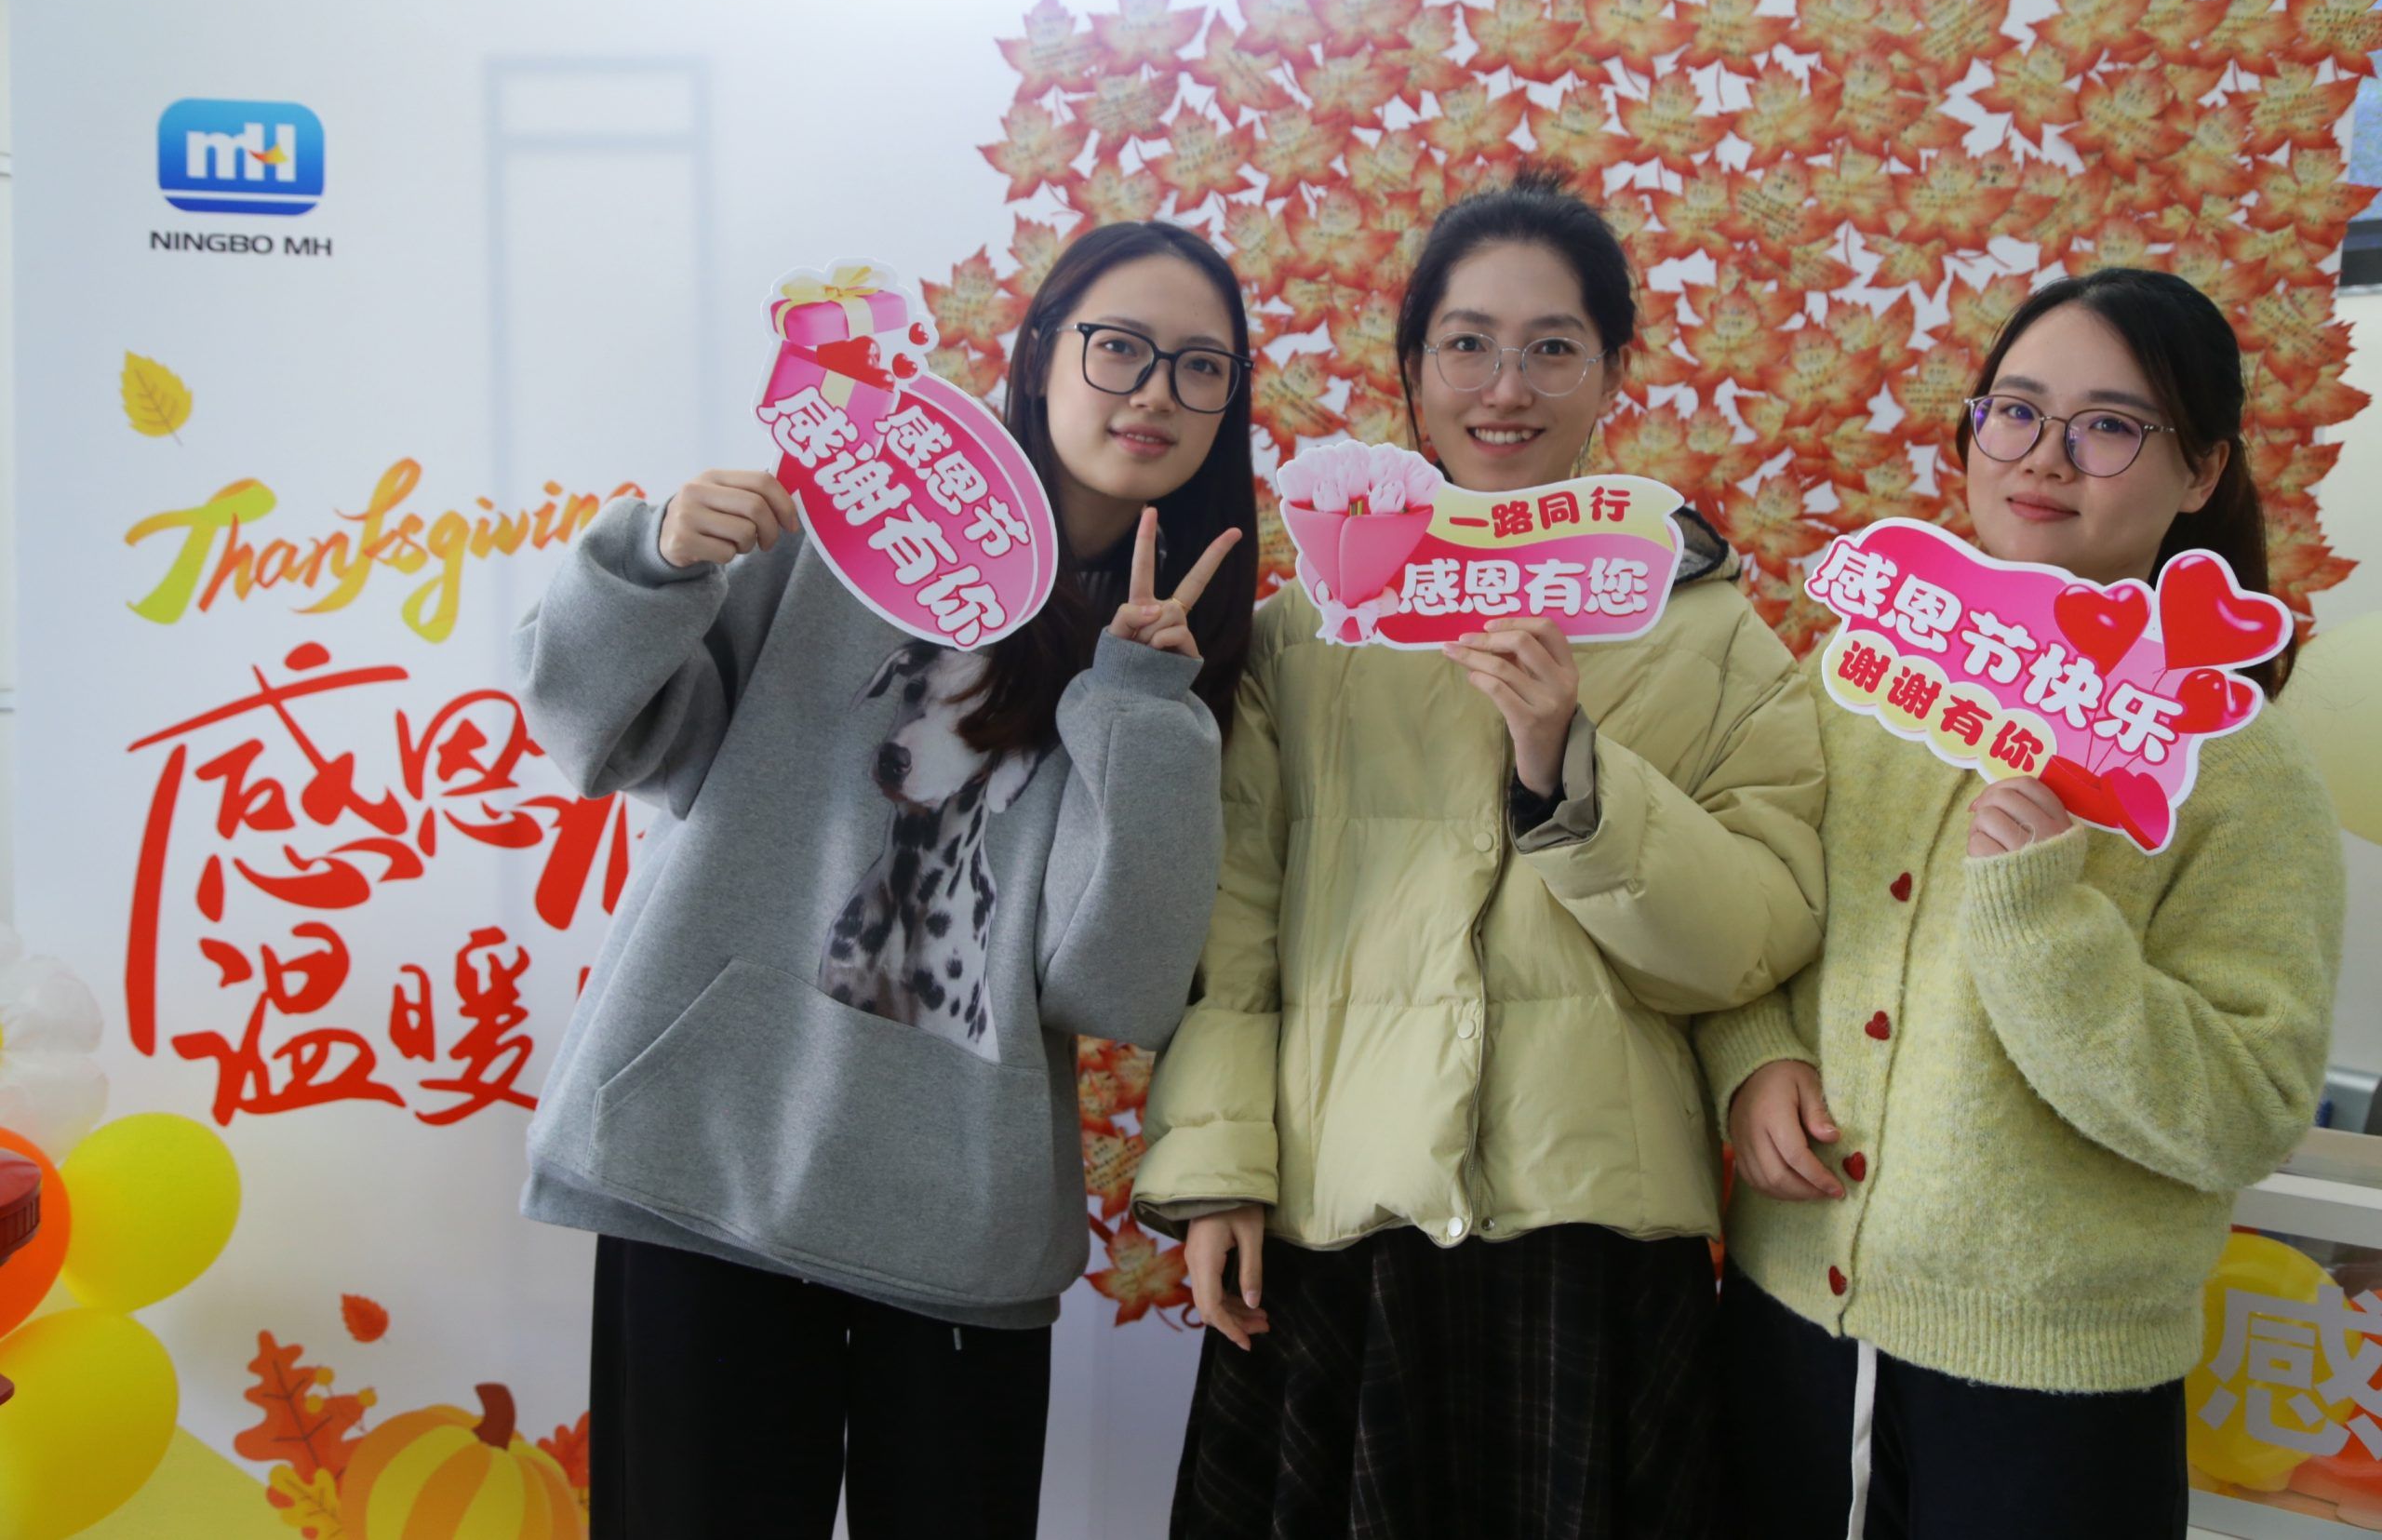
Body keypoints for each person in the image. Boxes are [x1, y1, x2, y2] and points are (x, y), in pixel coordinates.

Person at [512, 221, 1259, 1539]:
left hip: (954, 1241)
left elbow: (1115, 984)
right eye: (1120, 347)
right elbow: (591, 729)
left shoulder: (1180, 656)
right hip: (705, 1172)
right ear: (1041, 353)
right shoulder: (857, 522)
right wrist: (657, 557)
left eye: (1200, 366)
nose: (1154, 390)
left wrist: (1144, 702)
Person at [1136, 165, 1827, 1539]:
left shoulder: (1709, 632)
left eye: (1553, 347)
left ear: (1612, 372)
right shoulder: (1305, 630)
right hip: (1340, 1222)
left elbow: (1757, 935)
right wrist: (1218, 1167)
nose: (1506, 388)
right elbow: (1235, 924)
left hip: (1594, 1240)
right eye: (1467, 344)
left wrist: (1568, 769)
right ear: (1412, 371)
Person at [1708, 267, 2346, 1538]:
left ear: (2203, 470)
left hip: (2050, 1390)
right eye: (2015, 410)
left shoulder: (2236, 767)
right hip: (1787, 1326)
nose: (2046, 455)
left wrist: (2043, 924)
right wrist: (1752, 1056)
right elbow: (1751, 914)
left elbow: (2245, 1109)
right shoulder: (1862, 673)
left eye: (2110, 424)